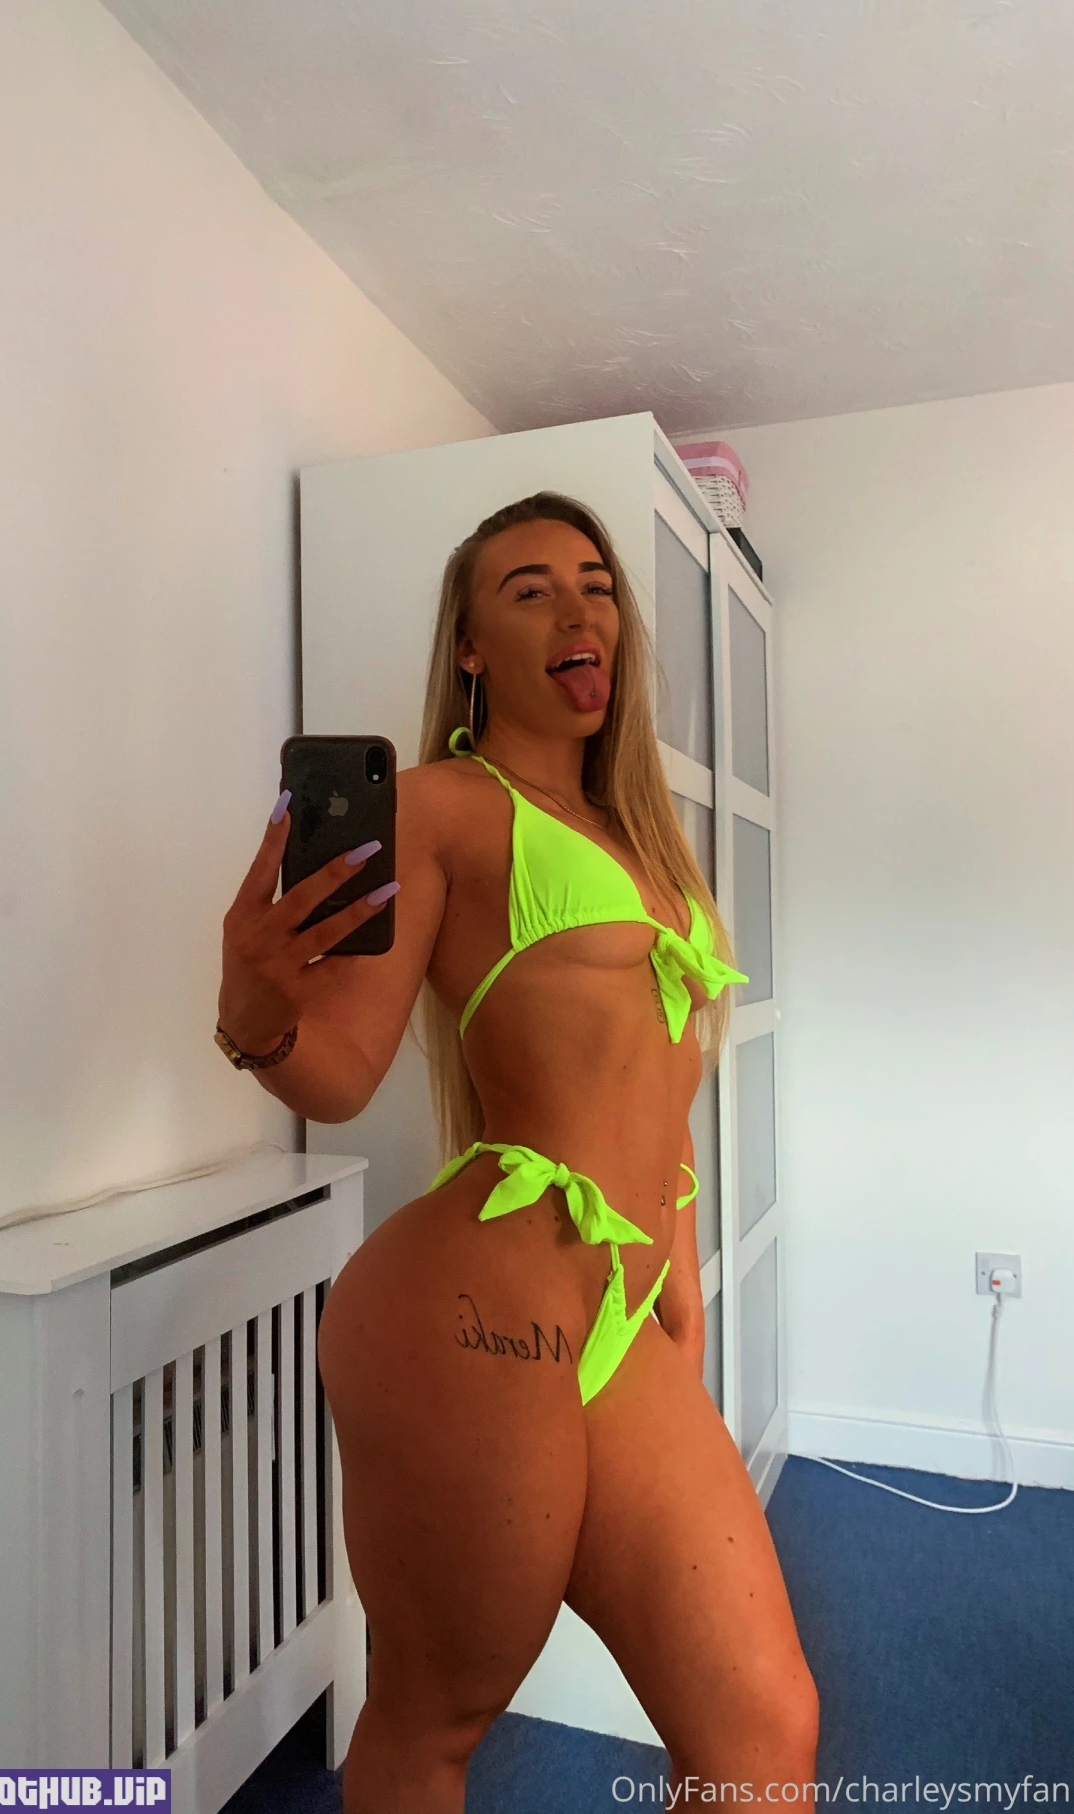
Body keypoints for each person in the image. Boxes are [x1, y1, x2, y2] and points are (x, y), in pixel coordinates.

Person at [217, 492, 818, 1813]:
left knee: (765, 1727)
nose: (578, 608)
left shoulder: (641, 836)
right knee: (435, 1719)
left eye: (596, 584)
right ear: (472, 647)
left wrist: (680, 1291)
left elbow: (660, 1094)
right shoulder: (441, 807)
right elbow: (339, 1071)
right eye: (531, 588)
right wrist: (252, 1012)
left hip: (620, 1314)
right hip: (477, 1306)